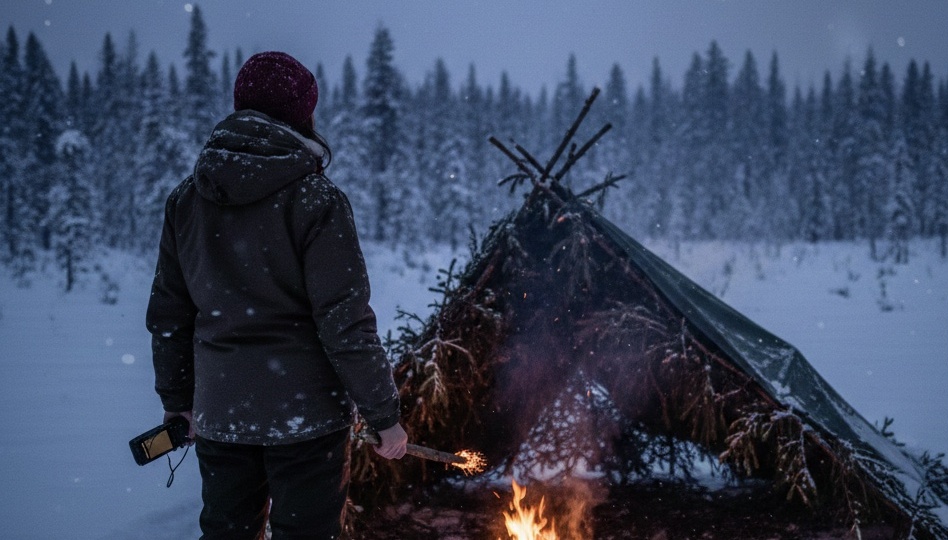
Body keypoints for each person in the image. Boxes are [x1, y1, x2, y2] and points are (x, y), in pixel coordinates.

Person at [145, 51, 407, 539]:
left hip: (222, 412)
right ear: (303, 115)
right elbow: (345, 322)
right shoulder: (316, 200)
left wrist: (178, 401)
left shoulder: (187, 200)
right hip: (306, 419)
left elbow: (169, 316)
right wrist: (384, 416)